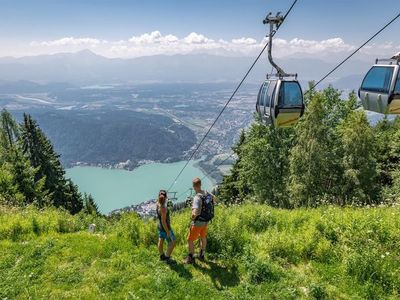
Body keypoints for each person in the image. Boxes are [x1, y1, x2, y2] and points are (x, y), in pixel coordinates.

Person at [184, 178, 215, 264]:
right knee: (203, 237)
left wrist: (192, 218)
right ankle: (201, 255)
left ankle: (191, 258)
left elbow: (195, 212)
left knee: (190, 240)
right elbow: (215, 199)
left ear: (194, 186)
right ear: (200, 184)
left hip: (198, 222)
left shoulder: (197, 197)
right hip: (206, 220)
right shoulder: (206, 192)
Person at [156, 190, 175, 263]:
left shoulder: (157, 203)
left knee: (161, 240)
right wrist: (168, 232)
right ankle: (167, 258)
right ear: (166, 197)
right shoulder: (163, 208)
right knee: (172, 242)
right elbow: (164, 221)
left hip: (159, 226)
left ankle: (162, 256)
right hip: (165, 228)